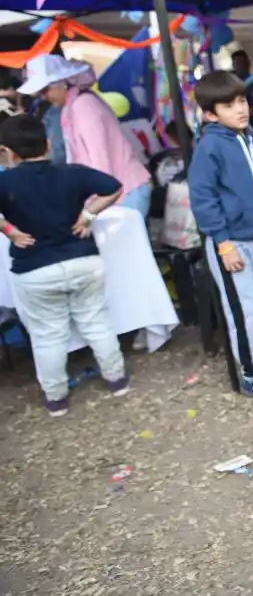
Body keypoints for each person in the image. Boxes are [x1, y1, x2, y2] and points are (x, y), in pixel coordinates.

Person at [0, 114, 130, 416]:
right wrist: (88, 216)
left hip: (35, 269)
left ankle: (56, 399)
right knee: (97, 323)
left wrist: (9, 231)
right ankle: (117, 381)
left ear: (8, 152)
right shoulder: (73, 172)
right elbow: (114, 187)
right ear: (47, 144)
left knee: (48, 336)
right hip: (84, 260)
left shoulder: (4, 181)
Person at [187, 71, 253, 403]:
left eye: (242, 101)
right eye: (229, 105)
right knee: (246, 309)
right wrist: (223, 243)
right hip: (230, 244)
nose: (240, 109)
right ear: (210, 114)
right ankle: (250, 375)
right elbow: (203, 199)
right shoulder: (209, 147)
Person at [18, 55, 152, 217]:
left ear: (63, 82)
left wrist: (95, 203)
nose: (43, 97)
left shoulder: (84, 105)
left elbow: (100, 156)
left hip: (123, 191)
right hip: (115, 191)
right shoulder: (72, 107)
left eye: (45, 90)